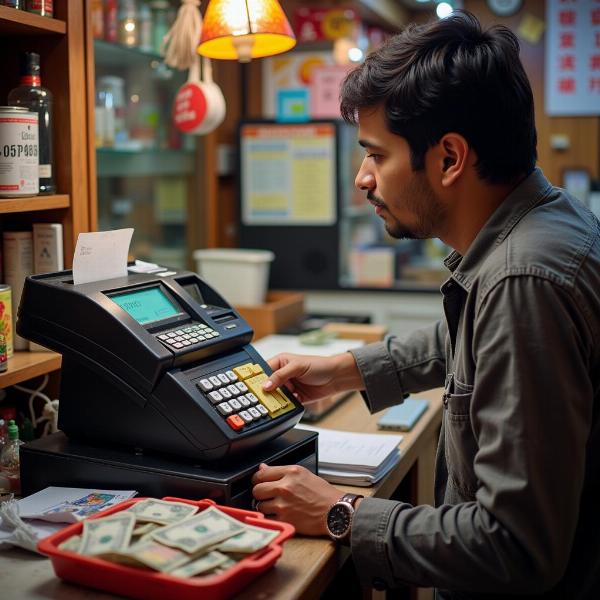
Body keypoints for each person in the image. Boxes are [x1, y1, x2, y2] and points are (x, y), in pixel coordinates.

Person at [251, 11, 600, 599]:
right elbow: (476, 338)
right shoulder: (545, 226)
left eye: (376, 155)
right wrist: (347, 369)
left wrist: (340, 510)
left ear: (449, 158)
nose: (363, 178)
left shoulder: (523, 280)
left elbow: (513, 547)